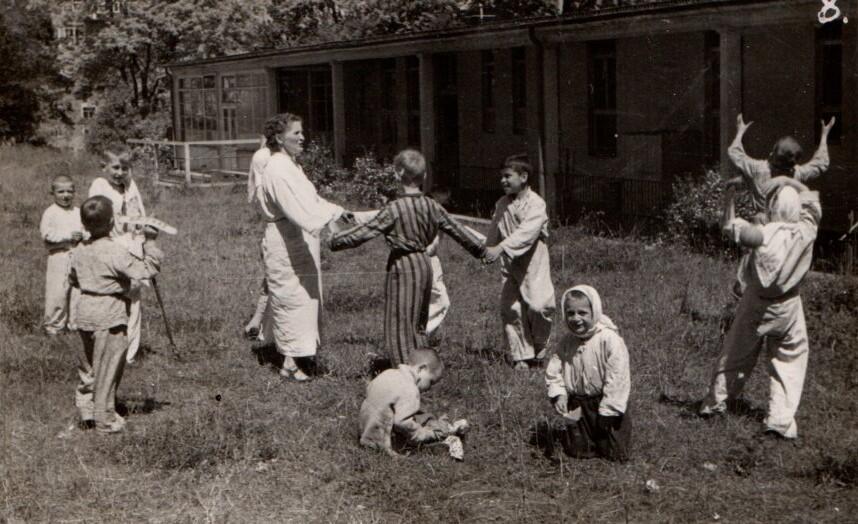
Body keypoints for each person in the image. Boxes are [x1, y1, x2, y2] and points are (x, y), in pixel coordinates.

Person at [330, 149, 485, 367]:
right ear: (424, 177)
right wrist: (483, 251)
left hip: (402, 265)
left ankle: (404, 368)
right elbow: (459, 230)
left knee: (399, 319)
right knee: (419, 320)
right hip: (424, 263)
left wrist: (334, 239)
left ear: (396, 174)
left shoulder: (395, 208)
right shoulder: (433, 206)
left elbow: (365, 232)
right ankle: (422, 367)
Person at [699, 176, 821, 439]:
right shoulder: (806, 231)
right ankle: (779, 421)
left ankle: (715, 403)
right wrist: (792, 182)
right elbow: (813, 205)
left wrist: (730, 195)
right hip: (788, 304)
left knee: (735, 354)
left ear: (774, 208)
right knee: (790, 360)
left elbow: (728, 226)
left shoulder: (764, 232)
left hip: (756, 302)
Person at [257, 113, 352, 381]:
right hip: (285, 238)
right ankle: (288, 361)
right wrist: (326, 222)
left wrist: (337, 211)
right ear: (278, 138)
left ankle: (299, 354)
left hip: (299, 237)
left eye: (302, 132)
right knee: (290, 298)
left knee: (306, 299)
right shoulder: (277, 169)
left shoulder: (292, 166)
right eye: (296, 133)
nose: (302, 137)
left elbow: (310, 199)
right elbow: (297, 208)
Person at [69, 196, 163, 433]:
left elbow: (73, 278)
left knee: (89, 368)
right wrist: (150, 243)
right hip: (109, 313)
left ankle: (88, 412)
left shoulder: (79, 249)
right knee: (108, 368)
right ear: (112, 222)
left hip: (84, 311)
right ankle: (106, 420)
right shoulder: (114, 251)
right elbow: (145, 270)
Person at [484, 156, 556, 369]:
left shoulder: (536, 203)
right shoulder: (502, 203)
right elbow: (494, 229)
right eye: (501, 177)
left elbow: (528, 232)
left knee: (539, 304)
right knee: (512, 307)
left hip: (534, 261)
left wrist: (502, 247)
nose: (503, 181)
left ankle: (540, 347)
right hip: (509, 262)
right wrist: (489, 248)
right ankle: (521, 355)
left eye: (508, 176)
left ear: (523, 177)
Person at [545, 285, 632, 461]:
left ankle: (609, 434)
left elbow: (618, 378)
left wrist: (609, 409)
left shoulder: (609, 339)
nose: (576, 319)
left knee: (615, 454)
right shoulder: (567, 342)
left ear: (595, 311)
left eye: (582, 313)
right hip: (578, 403)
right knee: (577, 451)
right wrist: (559, 395)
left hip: (604, 401)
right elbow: (554, 371)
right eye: (570, 313)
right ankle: (581, 438)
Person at [88, 149, 149, 363]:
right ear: (104, 167)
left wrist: (144, 240)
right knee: (112, 298)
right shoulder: (100, 186)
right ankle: (107, 348)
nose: (120, 173)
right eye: (115, 167)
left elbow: (140, 215)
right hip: (110, 246)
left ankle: (129, 352)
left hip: (132, 246)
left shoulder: (131, 187)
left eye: (125, 168)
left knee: (133, 297)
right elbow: (93, 217)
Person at [359, 349, 466, 457]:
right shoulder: (410, 389)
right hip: (382, 442)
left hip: (365, 431)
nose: (430, 388)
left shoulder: (388, 373)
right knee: (424, 440)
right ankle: (444, 432)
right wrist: (426, 434)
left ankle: (437, 425)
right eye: (431, 382)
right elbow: (402, 423)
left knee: (419, 415)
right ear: (422, 369)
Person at [727, 114, 834, 213]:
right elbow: (821, 163)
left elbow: (734, 152)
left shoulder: (757, 169)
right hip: (788, 227)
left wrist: (740, 132)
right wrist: (824, 135)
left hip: (763, 226)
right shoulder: (797, 174)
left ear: (772, 154)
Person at [40, 175, 86, 336]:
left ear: (74, 192)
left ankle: (76, 325)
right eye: (61, 192)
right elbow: (47, 235)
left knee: (77, 292)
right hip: (58, 256)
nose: (66, 195)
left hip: (77, 256)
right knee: (57, 293)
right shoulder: (50, 212)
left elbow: (85, 230)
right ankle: (54, 327)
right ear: (52, 193)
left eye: (69, 191)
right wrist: (67, 236)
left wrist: (82, 236)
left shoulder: (78, 212)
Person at [244, 140, 272, 342]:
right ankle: (260, 324)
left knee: (271, 280)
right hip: (276, 234)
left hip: (272, 234)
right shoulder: (265, 160)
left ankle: (257, 321)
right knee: (274, 281)